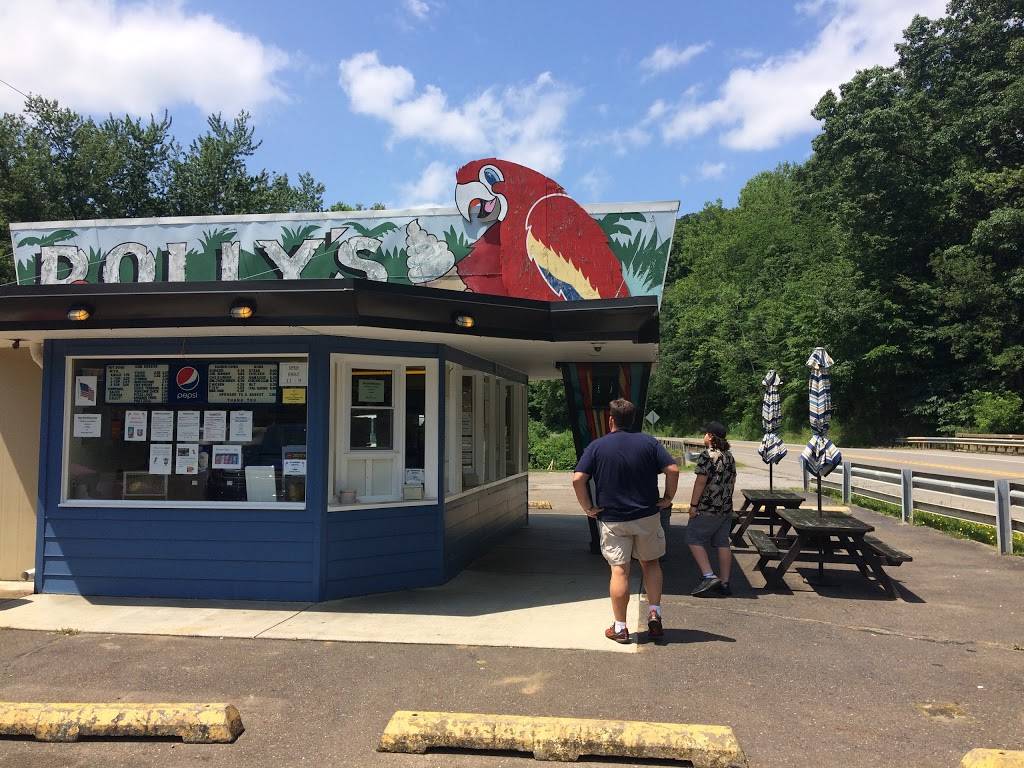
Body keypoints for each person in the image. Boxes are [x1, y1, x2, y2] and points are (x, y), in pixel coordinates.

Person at [572, 399, 680, 643]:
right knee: (651, 564)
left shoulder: (597, 446)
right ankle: (654, 613)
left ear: (610, 420)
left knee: (619, 570)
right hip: (647, 515)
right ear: (633, 420)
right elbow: (672, 470)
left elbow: (578, 479)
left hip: (613, 518)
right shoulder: (649, 443)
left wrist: (588, 507)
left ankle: (620, 628)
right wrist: (668, 498)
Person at [686, 421, 738, 597]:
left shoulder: (707, 455)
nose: (704, 436)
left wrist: (693, 505)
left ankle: (708, 575)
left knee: (693, 538)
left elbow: (701, 481)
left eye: (705, 433)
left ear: (710, 436)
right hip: (726, 508)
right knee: (722, 543)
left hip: (708, 507)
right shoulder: (729, 456)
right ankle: (725, 582)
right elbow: (732, 481)